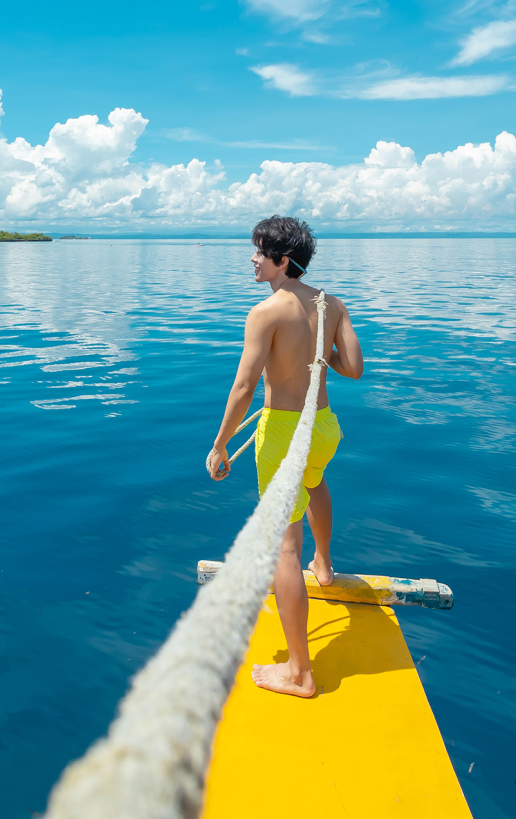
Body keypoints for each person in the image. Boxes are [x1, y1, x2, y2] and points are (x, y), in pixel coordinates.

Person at [206, 215, 364, 698]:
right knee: (314, 483)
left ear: (281, 259)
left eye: (258, 251)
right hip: (323, 428)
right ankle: (326, 565)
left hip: (284, 433)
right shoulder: (332, 304)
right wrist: (319, 352)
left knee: (282, 549)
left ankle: (300, 673)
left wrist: (219, 444)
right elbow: (353, 368)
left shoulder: (266, 312)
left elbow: (243, 388)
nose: (252, 259)